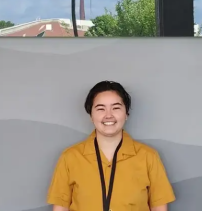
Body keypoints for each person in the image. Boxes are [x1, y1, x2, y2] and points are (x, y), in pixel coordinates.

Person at [47, 81, 176, 211]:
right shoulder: (69, 157)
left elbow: (159, 207)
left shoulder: (149, 157)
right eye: (100, 109)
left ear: (126, 114)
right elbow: (60, 207)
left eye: (116, 108)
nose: (108, 115)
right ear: (91, 115)